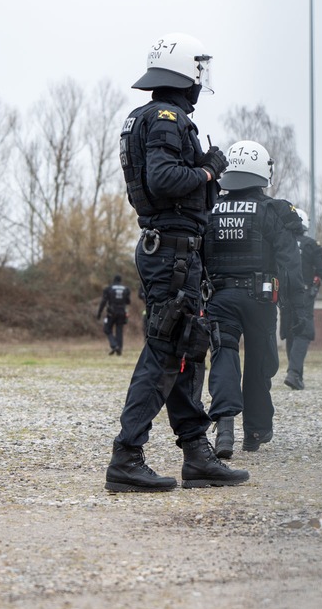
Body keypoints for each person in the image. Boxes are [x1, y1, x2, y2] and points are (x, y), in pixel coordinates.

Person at [104, 31, 249, 493]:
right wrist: (210, 169)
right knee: (167, 349)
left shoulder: (142, 117)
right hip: (173, 250)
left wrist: (201, 170)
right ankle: (127, 455)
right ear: (187, 77)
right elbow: (164, 178)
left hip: (168, 246)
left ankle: (196, 453)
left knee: (186, 346)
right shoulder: (168, 118)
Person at [203, 140, 307, 458]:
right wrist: (295, 306)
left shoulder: (209, 207)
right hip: (260, 298)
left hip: (219, 296)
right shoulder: (274, 210)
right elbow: (290, 262)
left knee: (223, 356)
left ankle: (224, 430)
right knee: (261, 363)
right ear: (263, 170)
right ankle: (255, 431)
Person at [280, 208, 322, 391]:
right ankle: (294, 373)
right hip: (304, 294)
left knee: (291, 331)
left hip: (283, 294)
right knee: (303, 332)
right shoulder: (310, 245)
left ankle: (295, 374)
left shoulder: (280, 243)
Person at [97, 274, 132, 356]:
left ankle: (114, 345)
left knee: (107, 329)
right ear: (120, 281)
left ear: (114, 280)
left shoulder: (109, 288)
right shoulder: (126, 289)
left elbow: (103, 301)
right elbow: (128, 301)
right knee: (119, 331)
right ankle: (119, 348)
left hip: (111, 312)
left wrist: (99, 313)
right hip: (122, 312)